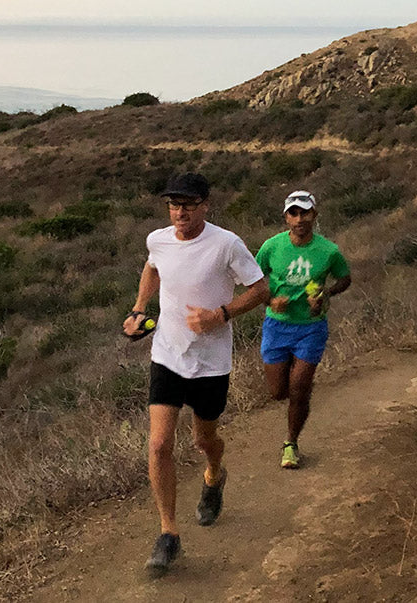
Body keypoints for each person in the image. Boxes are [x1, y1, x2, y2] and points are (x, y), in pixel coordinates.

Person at [123, 172, 268, 576]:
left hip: (210, 362)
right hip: (167, 354)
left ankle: (214, 475)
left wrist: (221, 314)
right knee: (158, 444)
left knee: (204, 439)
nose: (180, 212)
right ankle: (169, 533)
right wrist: (139, 309)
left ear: (206, 204)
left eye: (188, 204)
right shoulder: (158, 239)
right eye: (174, 204)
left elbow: (260, 290)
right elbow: (152, 268)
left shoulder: (227, 244)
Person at [255, 190, 351, 469]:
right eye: (293, 213)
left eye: (305, 213)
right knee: (277, 392)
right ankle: (299, 394)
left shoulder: (328, 251)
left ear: (314, 215)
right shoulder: (272, 247)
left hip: (311, 326)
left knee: (299, 387)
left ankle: (291, 443)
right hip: (277, 325)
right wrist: (270, 300)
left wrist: (326, 295)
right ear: (286, 217)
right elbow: (253, 278)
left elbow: (345, 278)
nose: (300, 219)